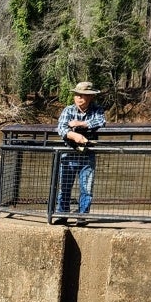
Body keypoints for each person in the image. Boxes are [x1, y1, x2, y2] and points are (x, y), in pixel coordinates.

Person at [55, 81, 107, 215]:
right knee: (64, 187)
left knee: (87, 189)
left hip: (88, 155)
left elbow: (101, 121)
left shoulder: (97, 110)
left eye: (83, 95)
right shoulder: (68, 110)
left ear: (90, 97)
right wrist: (73, 135)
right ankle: (62, 214)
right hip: (69, 154)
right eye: (77, 95)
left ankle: (82, 215)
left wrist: (81, 124)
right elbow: (61, 128)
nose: (79, 98)